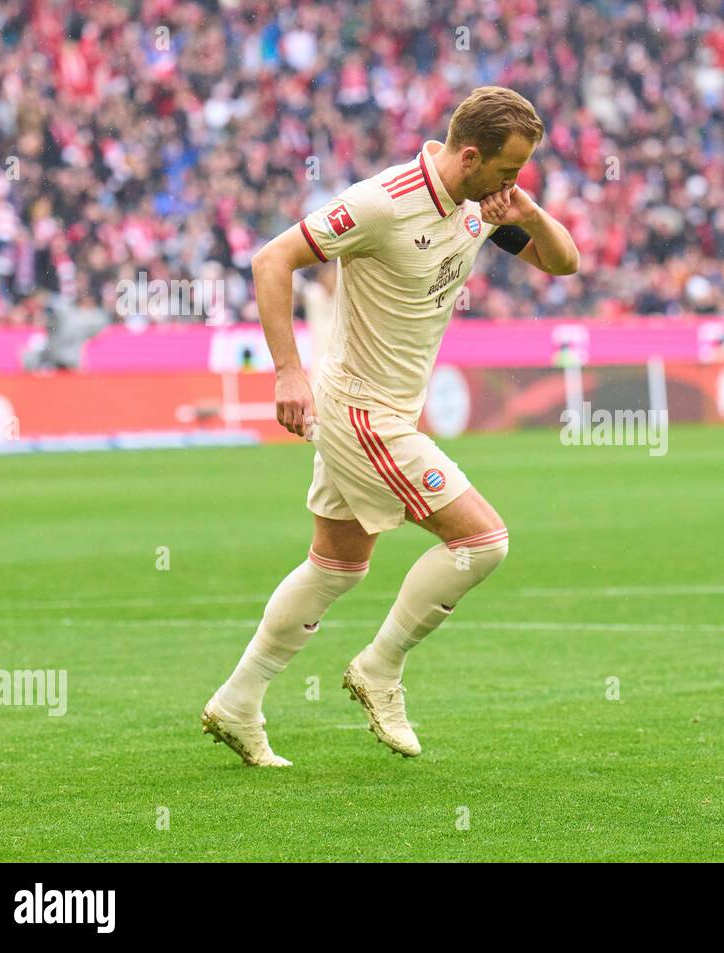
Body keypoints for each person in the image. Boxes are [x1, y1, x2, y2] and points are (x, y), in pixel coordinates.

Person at [202, 87, 579, 766]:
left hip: (388, 408)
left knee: (335, 566)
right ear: (470, 155)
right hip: (359, 409)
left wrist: (526, 210)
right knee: (483, 541)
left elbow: (563, 262)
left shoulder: (482, 205)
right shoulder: (381, 203)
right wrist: (288, 372)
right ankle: (379, 667)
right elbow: (271, 260)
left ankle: (236, 700)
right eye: (508, 169)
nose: (512, 182)